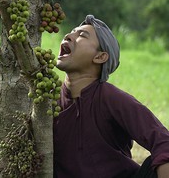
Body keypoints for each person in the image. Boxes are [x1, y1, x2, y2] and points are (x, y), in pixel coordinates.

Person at [53, 14, 169, 178]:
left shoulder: (111, 98)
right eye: (72, 32)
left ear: (100, 57)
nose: (68, 36)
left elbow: (163, 142)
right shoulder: (48, 101)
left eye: (82, 35)